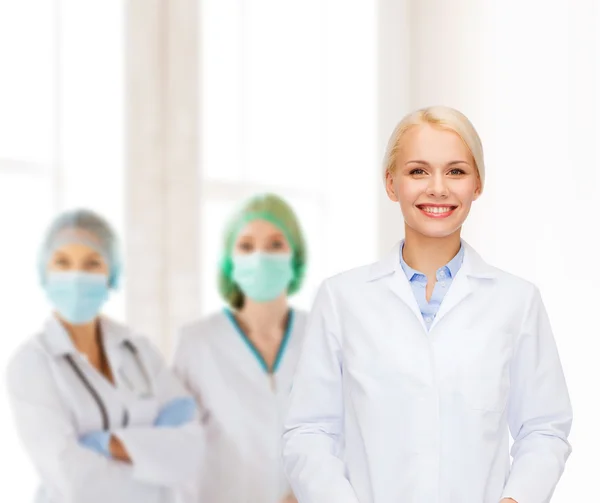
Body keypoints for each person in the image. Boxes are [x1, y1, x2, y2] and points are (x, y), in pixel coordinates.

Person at [281, 106, 572, 503]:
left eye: (456, 171)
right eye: (418, 171)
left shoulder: (517, 302)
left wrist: (515, 500)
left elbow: (544, 428)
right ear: (391, 183)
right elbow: (310, 431)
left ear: (478, 184)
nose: (438, 188)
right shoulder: (341, 298)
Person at [6, 209, 203, 503]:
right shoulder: (32, 364)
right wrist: (154, 464)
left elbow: (190, 450)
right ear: (44, 273)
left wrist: (107, 445)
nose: (76, 276)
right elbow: (73, 481)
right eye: (62, 263)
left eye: (91, 264)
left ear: (111, 274)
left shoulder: (139, 350)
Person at [173, 193, 308, 503]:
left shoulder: (322, 337)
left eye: (276, 244)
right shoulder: (198, 344)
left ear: (295, 256)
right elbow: (178, 453)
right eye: (246, 246)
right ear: (229, 261)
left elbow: (347, 437)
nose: (260, 256)